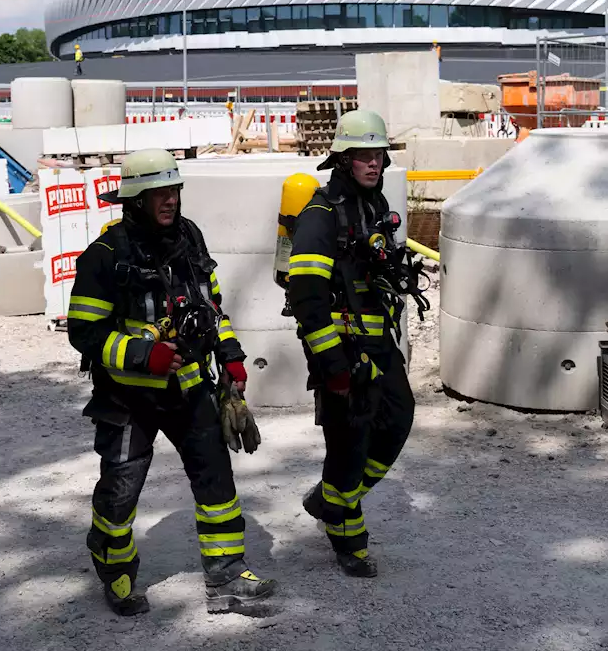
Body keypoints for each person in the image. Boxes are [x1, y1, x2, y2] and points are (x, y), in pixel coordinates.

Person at [66, 148, 276, 616]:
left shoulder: (189, 238)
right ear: (135, 199)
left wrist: (231, 357)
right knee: (120, 492)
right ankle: (116, 570)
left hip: (188, 387)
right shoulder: (105, 256)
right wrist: (144, 354)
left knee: (216, 481)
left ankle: (226, 577)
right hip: (127, 396)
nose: (170, 201)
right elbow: (84, 331)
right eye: (159, 192)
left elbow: (209, 306)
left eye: (174, 191)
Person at [287, 110, 426, 579]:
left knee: (399, 417)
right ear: (343, 160)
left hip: (378, 341)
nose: (374, 163)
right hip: (342, 347)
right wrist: (332, 363)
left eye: (378, 155)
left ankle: (329, 498)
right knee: (348, 442)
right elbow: (305, 296)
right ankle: (349, 539)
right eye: (363, 156)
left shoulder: (374, 203)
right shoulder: (320, 214)